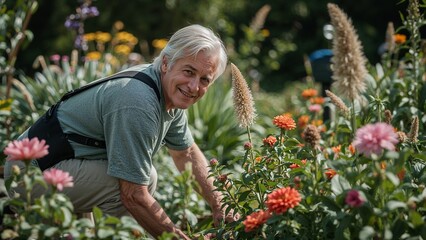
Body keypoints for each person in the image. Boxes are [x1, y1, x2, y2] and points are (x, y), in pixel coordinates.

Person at [4, 24, 238, 239]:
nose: (194, 86)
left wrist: (220, 204)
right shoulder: (138, 101)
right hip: (28, 172)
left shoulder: (169, 93)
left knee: (147, 176)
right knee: (129, 188)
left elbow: (185, 154)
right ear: (166, 63)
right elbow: (132, 195)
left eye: (205, 79)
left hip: (64, 163)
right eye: (189, 72)